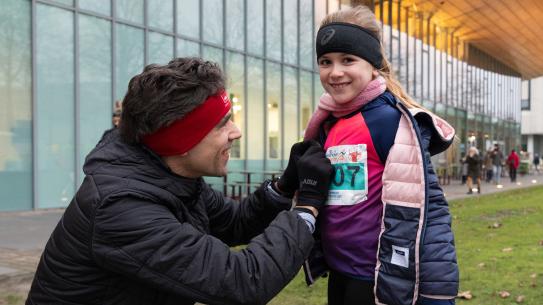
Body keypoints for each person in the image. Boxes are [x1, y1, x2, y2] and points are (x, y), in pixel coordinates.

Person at [26, 58, 334, 305]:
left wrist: (283, 187)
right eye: (222, 125)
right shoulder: (121, 207)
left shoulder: (170, 175)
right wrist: (306, 207)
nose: (236, 132)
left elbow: (233, 222)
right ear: (181, 142)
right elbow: (242, 280)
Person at [302, 5, 458, 305]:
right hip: (339, 273)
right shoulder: (329, 123)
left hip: (377, 280)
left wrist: (437, 295)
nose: (335, 72)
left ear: (373, 65)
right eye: (325, 61)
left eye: (348, 60)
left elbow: (431, 210)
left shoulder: (389, 121)